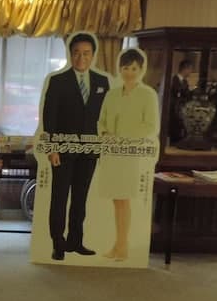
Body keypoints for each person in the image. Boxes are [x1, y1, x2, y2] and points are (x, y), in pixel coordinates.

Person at [40, 32, 110, 261]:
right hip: (62, 150)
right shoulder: (58, 81)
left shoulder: (102, 82)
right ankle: (58, 243)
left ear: (93, 55)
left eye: (86, 53)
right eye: (77, 53)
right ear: (70, 54)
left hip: (89, 150)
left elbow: (107, 115)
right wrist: (51, 148)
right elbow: (49, 118)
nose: (81, 58)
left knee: (80, 198)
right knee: (59, 198)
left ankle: (75, 241)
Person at [95, 48, 160, 261]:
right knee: (117, 200)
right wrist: (106, 134)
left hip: (131, 154)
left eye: (134, 68)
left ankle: (122, 246)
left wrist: (125, 138)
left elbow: (150, 125)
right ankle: (118, 245)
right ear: (119, 69)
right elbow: (101, 121)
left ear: (141, 70)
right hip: (111, 153)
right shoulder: (112, 94)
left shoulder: (148, 95)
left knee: (124, 199)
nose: (129, 72)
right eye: (125, 68)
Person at [169, 58, 195, 142]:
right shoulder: (174, 80)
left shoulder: (185, 82)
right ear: (185, 68)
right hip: (173, 110)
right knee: (174, 130)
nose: (191, 72)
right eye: (190, 69)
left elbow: (186, 94)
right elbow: (177, 93)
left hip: (181, 110)